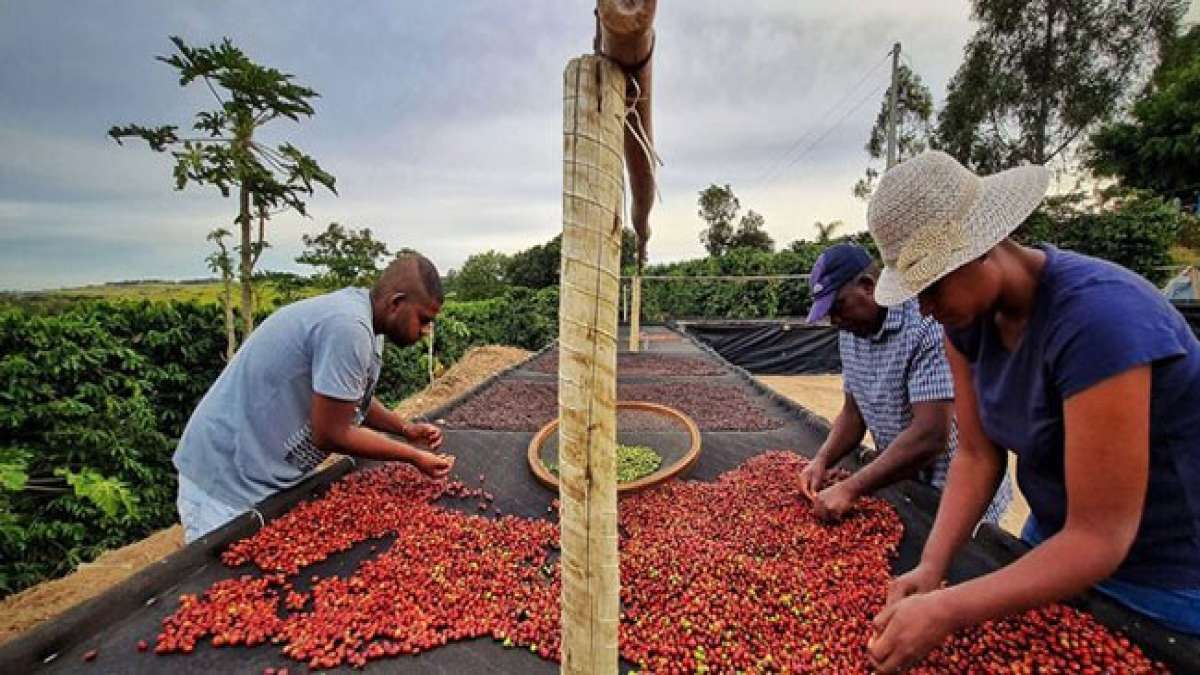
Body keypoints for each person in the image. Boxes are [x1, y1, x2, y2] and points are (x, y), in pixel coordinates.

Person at [865, 150, 1200, 672]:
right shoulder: (966, 323)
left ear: (981, 250)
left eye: (931, 288)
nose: (925, 309)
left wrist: (948, 609)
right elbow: (976, 456)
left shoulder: (1100, 321)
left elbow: (1100, 536)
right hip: (1053, 543)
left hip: (1166, 576)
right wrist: (931, 568)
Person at [173, 254, 455, 543]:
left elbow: (349, 398)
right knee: (225, 581)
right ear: (396, 303)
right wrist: (413, 457)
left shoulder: (369, 326)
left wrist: (404, 429)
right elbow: (331, 434)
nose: (425, 331)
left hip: (265, 473)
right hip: (226, 479)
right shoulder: (348, 327)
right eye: (423, 319)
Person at [798, 243, 1011, 523]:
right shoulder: (850, 334)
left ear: (868, 286)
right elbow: (853, 413)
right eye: (829, 315)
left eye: (839, 307)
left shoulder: (926, 324)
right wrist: (822, 460)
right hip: (902, 481)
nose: (835, 321)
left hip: (955, 489)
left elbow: (931, 434)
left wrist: (851, 487)